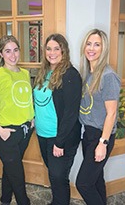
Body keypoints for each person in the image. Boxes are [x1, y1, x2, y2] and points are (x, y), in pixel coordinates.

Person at [0, 35, 34, 205]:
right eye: (7, 51)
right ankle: (24, 202)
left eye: (15, 50)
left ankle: (5, 199)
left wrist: (31, 119)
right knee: (17, 174)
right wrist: (0, 130)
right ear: (1, 53)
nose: (12, 55)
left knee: (11, 169)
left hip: (25, 131)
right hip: (6, 133)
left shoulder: (25, 73)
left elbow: (25, 99)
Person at [33, 33, 82, 205]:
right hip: (43, 133)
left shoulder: (70, 75)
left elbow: (71, 113)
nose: (52, 52)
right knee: (54, 175)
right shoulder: (43, 72)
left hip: (60, 137)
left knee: (58, 177)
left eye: (56, 48)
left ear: (64, 51)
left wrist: (60, 142)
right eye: (48, 48)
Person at [76, 29, 121, 205]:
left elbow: (112, 113)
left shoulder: (108, 76)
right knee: (95, 180)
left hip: (101, 136)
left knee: (83, 184)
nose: (92, 48)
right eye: (89, 43)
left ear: (104, 48)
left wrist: (102, 143)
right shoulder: (87, 73)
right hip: (88, 133)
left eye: (97, 44)